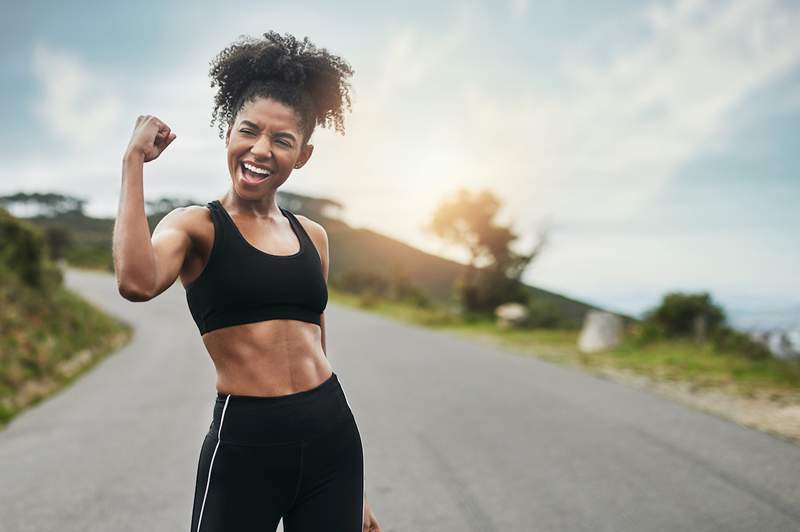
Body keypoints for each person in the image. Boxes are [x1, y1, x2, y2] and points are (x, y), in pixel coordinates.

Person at [113, 31, 381, 532]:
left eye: (282, 140)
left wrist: (353, 492)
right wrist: (133, 164)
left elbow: (316, 341)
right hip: (246, 444)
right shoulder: (197, 226)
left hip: (332, 438)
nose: (260, 150)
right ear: (229, 133)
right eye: (248, 131)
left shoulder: (313, 237)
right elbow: (135, 281)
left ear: (302, 155)